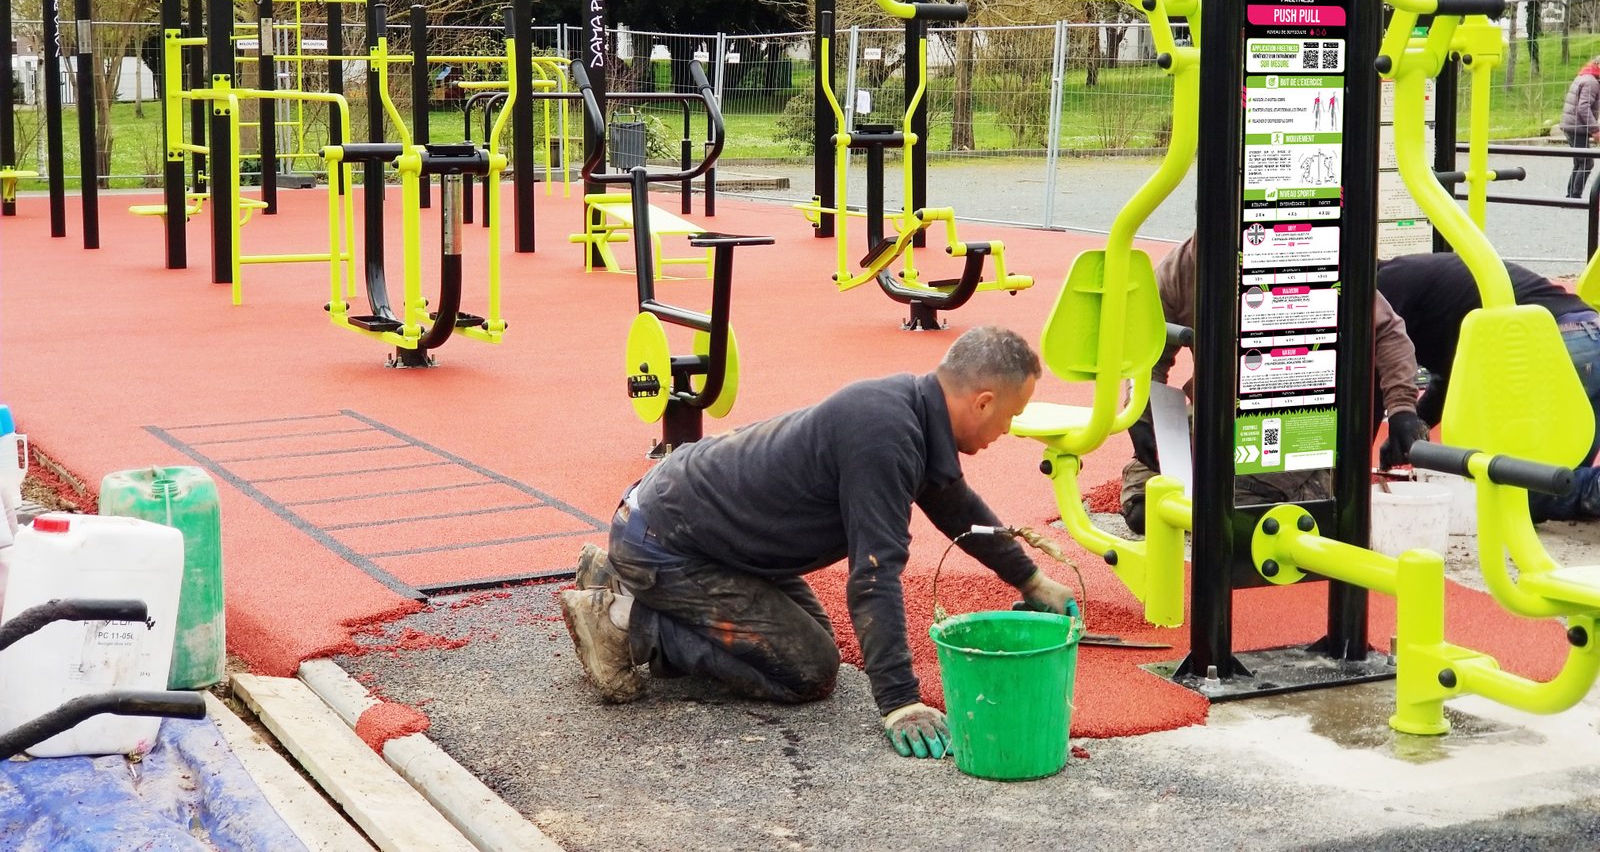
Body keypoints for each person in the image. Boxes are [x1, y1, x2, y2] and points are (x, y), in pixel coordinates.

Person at [558, 325, 1072, 760]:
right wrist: (900, 701)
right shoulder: (886, 436)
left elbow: (958, 509)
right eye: (1010, 414)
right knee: (808, 670)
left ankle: (616, 576)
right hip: (667, 540)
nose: (1008, 428)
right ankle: (623, 624)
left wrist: (1030, 580)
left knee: (813, 639)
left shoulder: (908, 409)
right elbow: (874, 575)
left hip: (689, 529)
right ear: (982, 401)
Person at [1119, 234, 1430, 534]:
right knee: (1142, 506)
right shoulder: (1185, 264)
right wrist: (1141, 411)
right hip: (1217, 417)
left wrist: (1402, 408)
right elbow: (1146, 347)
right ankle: (1236, 490)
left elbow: (1387, 330)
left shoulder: (1303, 254)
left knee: (1237, 513)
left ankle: (1312, 488)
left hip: (1296, 418)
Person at [1376, 252, 1600, 521]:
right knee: (1560, 479)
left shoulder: (1383, 286)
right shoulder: (1425, 280)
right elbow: (1448, 382)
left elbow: (1372, 365)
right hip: (1588, 337)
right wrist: (1411, 425)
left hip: (1551, 342)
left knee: (1519, 491)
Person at [1560, 57, 1600, 199]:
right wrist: (1595, 129)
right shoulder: (1591, 82)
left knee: (1580, 162)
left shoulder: (1586, 76)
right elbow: (1584, 107)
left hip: (1572, 125)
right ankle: (1575, 196)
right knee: (1587, 162)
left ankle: (1571, 195)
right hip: (1577, 127)